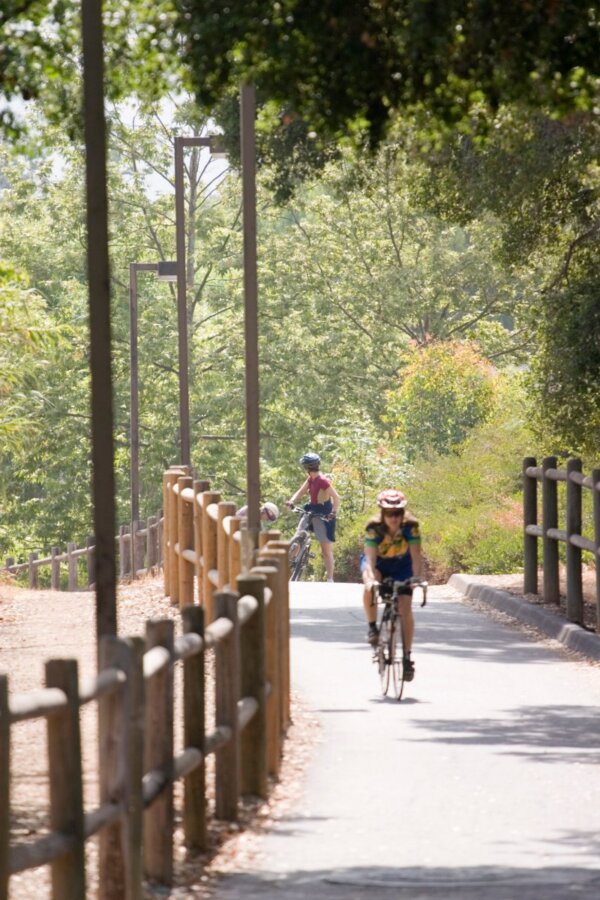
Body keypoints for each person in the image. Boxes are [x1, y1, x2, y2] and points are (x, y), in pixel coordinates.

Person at [360, 489, 423, 681]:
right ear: (382, 513)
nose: (393, 518)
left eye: (397, 513)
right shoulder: (374, 529)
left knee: (405, 607)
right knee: (370, 584)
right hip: (378, 563)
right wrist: (370, 579)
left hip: (401, 565)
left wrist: (416, 578)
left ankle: (407, 657)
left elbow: (416, 558)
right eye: (389, 514)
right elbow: (370, 561)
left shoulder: (411, 528)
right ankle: (372, 627)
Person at [285, 452, 341, 582]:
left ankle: (330, 579)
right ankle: (288, 566)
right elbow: (301, 491)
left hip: (323, 513)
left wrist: (333, 512)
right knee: (299, 535)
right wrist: (291, 501)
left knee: (326, 549)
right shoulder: (310, 478)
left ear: (306, 467)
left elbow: (336, 498)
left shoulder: (322, 481)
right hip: (311, 509)